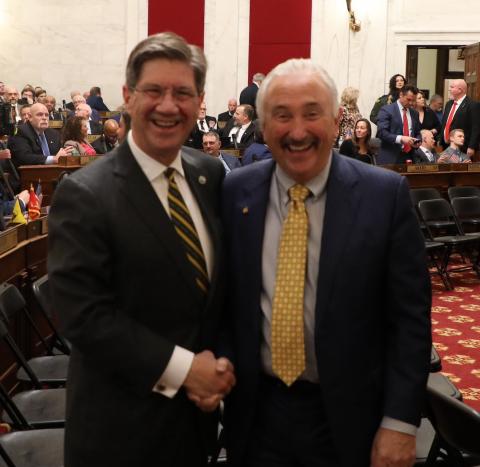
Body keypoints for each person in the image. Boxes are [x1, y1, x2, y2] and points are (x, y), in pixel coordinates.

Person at [221, 58, 431, 467]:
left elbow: (410, 320)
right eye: (282, 115)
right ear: (264, 126)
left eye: (312, 114)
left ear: (336, 121)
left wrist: (402, 422)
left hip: (354, 418)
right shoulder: (235, 192)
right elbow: (226, 301)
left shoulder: (384, 196)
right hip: (256, 413)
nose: (297, 131)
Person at [48, 31, 235, 467]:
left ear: (199, 101)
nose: (168, 106)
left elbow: (214, 295)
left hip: (199, 425)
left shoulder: (210, 177)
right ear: (129, 95)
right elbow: (85, 318)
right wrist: (189, 371)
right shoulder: (84, 194)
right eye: (154, 90)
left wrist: (218, 370)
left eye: (183, 93)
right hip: (122, 433)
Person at [376, 84, 422, 164]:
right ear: (401, 95)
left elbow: (417, 132)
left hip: (410, 157)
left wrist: (417, 141)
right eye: (409, 99)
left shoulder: (414, 113)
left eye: (413, 100)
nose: (411, 103)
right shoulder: (386, 110)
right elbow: (382, 133)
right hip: (390, 157)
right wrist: (400, 139)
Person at [440, 79, 480, 158]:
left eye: (452, 87)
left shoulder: (472, 105)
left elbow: (476, 128)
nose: (449, 89)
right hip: (446, 146)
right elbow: (445, 123)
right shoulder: (449, 104)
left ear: (460, 90)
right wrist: (440, 138)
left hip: (463, 148)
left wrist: (472, 146)